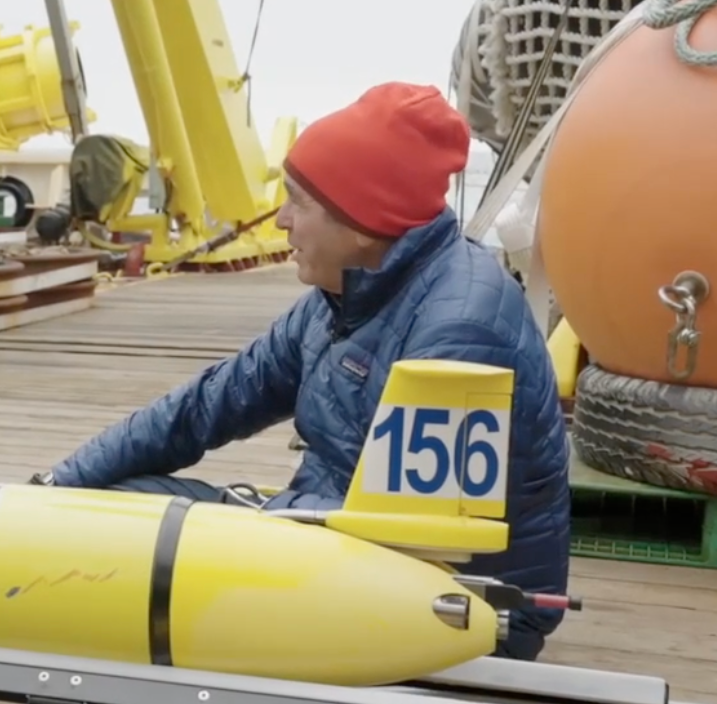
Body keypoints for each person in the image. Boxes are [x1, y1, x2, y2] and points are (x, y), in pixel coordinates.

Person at [33, 82, 571, 662]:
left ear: (363, 221)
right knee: (114, 505)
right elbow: (207, 406)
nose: (282, 220)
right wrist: (61, 485)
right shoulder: (343, 296)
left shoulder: (461, 334)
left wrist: (251, 527)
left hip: (458, 612)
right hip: (342, 544)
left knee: (142, 555)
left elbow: (416, 542)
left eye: (298, 202)